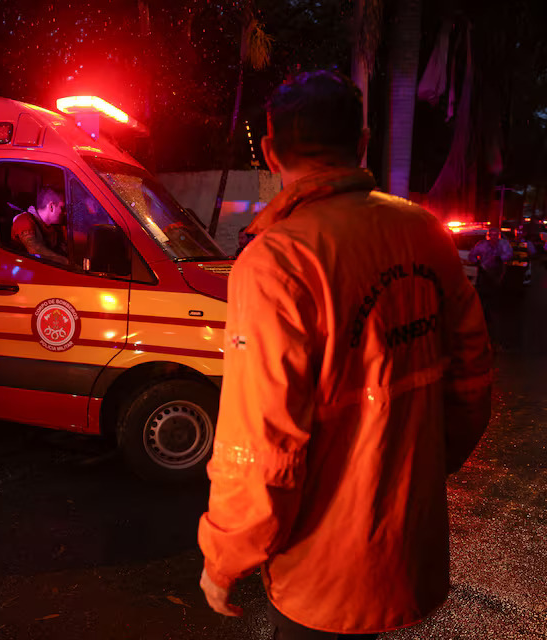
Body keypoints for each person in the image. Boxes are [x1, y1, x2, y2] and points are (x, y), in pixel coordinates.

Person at [197, 70, 492, 639]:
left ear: (270, 152)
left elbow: (259, 442)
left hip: (322, 568)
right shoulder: (425, 233)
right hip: (405, 544)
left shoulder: (278, 260)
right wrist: (417, 469)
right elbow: (472, 379)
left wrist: (225, 557)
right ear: (361, 143)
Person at [10, 187, 68, 265]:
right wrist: (66, 262)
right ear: (51, 206)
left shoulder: (55, 227)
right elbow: (35, 249)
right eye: (62, 208)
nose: (65, 213)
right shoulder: (24, 221)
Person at [467, 227, 512, 295]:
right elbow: (472, 255)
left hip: (498, 270)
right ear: (488, 236)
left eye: (495, 235)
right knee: (483, 290)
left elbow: (509, 254)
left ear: (498, 236)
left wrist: (499, 258)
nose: (493, 237)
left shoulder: (503, 244)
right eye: (491, 235)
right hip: (484, 270)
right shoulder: (482, 244)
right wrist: (477, 262)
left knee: (497, 289)